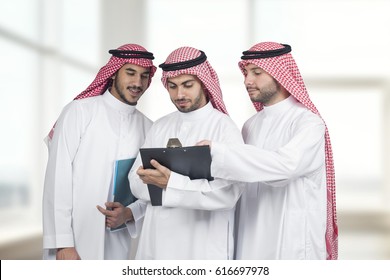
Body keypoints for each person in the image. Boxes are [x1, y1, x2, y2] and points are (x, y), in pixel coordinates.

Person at [198, 42, 338, 260]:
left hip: (291, 242)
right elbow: (239, 175)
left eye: (257, 72)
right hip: (250, 236)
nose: (247, 80)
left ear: (279, 74)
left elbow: (285, 166)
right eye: (246, 72)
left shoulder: (308, 123)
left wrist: (219, 153)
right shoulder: (250, 125)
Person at [42, 44, 157, 260]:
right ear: (113, 73)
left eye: (143, 76)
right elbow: (58, 178)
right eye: (130, 73)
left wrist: (130, 213)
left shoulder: (149, 128)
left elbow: (150, 189)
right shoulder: (79, 111)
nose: (137, 83)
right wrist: (62, 242)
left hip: (118, 241)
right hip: (74, 239)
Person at [128, 46, 244, 259]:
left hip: (202, 246)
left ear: (203, 83)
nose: (179, 94)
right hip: (158, 245)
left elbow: (227, 194)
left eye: (187, 85)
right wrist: (188, 188)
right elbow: (135, 182)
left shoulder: (224, 127)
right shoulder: (160, 126)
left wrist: (168, 182)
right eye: (172, 86)